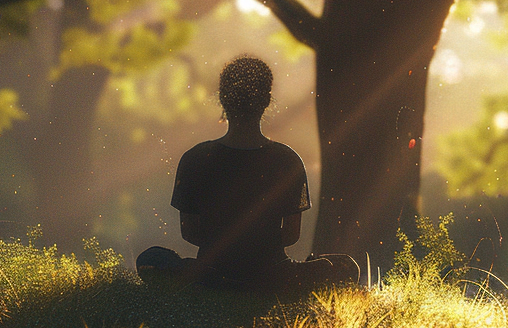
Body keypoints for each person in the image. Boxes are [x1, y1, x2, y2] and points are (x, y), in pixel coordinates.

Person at [136, 56, 358, 292]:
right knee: (347, 268)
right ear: (266, 101)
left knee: (150, 259)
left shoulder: (196, 158)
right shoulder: (288, 160)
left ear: (223, 99)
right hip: (272, 277)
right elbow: (292, 235)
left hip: (211, 275)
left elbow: (189, 232)